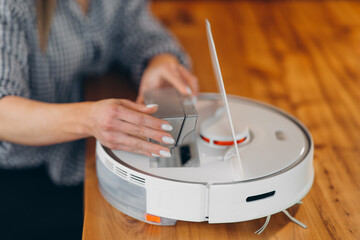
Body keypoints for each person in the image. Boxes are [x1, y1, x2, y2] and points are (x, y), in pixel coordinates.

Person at [0, 0, 198, 239]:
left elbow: (142, 33)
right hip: (26, 177)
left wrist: (160, 62)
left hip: (87, 154)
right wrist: (90, 119)